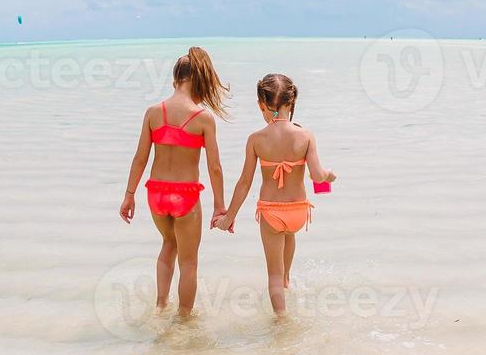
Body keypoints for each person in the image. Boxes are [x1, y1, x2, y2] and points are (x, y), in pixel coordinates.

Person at [119, 48, 228, 316]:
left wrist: (129, 194)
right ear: (199, 81)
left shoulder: (154, 113)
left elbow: (140, 159)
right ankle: (184, 319)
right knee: (189, 262)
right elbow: (214, 167)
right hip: (185, 196)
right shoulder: (202, 118)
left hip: (156, 192)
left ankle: (159, 306)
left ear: (175, 80)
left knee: (169, 244)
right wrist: (219, 206)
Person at [215, 74, 335, 315]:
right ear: (290, 104)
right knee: (288, 236)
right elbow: (317, 175)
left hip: (271, 213)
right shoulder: (305, 135)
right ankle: (287, 282)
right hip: (298, 212)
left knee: (273, 275)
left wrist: (228, 217)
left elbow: (244, 183)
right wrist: (330, 175)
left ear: (262, 104)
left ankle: (281, 321)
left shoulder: (256, 139)